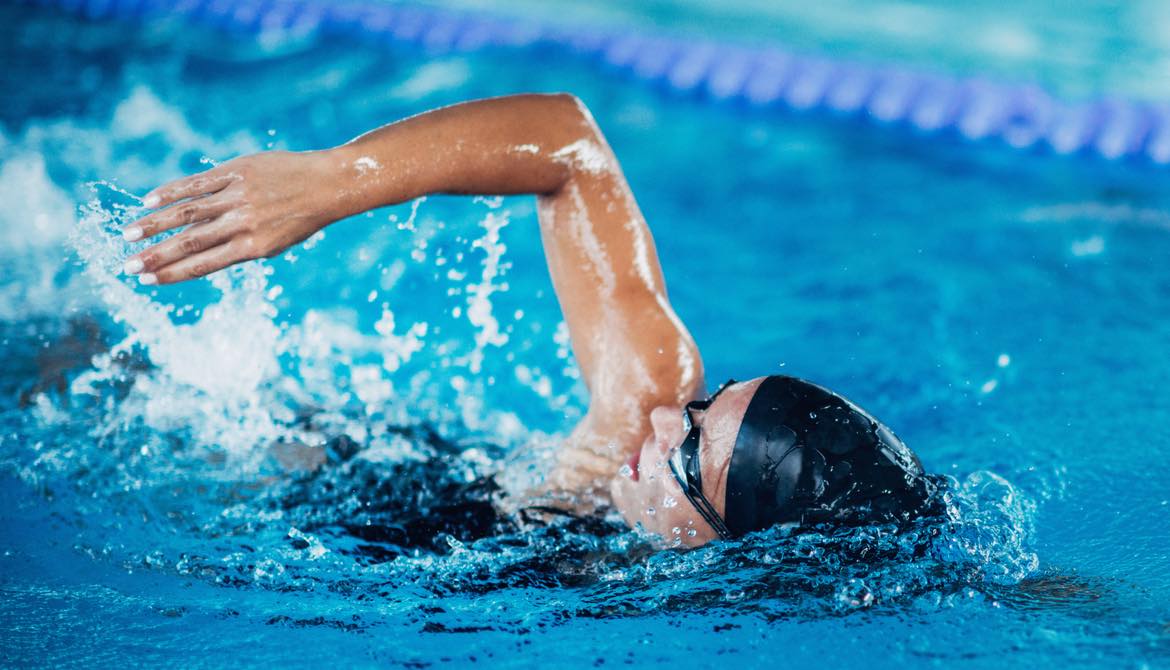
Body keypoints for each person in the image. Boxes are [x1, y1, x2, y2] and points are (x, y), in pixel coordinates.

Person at [121, 93, 936, 548]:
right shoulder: (633, 423)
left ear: (735, 550)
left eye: (690, 454)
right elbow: (566, 143)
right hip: (318, 467)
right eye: (701, 407)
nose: (659, 418)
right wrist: (333, 182)